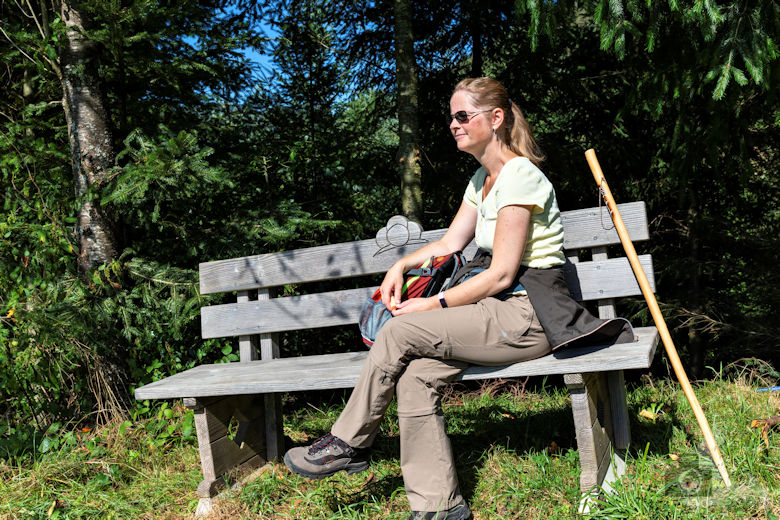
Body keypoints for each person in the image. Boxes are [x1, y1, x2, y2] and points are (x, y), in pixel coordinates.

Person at [283, 77, 631, 520]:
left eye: (462, 115)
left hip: (530, 314)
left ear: (496, 119)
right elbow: (451, 242)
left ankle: (347, 443)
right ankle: (439, 507)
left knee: (401, 329)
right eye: (451, 117)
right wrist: (401, 265)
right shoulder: (482, 179)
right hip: (492, 313)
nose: (453, 124)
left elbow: (503, 272)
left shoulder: (520, 176)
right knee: (416, 377)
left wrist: (434, 304)